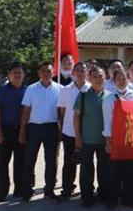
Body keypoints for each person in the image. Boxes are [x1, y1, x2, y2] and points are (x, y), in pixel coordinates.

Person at [19, 62, 63, 201]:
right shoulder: (31, 89)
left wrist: (61, 130)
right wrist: (22, 131)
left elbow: (61, 112)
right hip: (34, 128)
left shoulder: (60, 89)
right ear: (39, 73)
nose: (46, 73)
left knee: (51, 161)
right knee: (29, 160)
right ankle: (27, 189)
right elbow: (26, 111)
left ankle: (49, 189)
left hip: (51, 128)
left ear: (53, 72)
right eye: (43, 71)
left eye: (49, 71)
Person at [102, 66, 133, 209]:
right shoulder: (108, 97)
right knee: (114, 172)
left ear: (128, 79)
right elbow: (107, 121)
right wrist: (107, 140)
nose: (122, 81)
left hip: (131, 139)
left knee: (130, 172)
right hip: (115, 140)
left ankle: (128, 199)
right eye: (118, 79)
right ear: (113, 81)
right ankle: (112, 199)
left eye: (124, 78)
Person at [73, 65, 111, 207]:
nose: (98, 79)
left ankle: (103, 194)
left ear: (105, 78)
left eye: (101, 76)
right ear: (89, 78)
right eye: (95, 76)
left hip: (104, 140)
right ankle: (87, 196)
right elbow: (76, 117)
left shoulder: (110, 95)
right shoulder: (82, 95)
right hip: (87, 139)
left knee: (104, 169)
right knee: (86, 170)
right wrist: (77, 136)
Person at [0, 62, 28, 202]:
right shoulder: (3, 91)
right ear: (9, 74)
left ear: (24, 75)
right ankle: (1, 192)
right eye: (14, 72)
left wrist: (23, 131)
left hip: (23, 131)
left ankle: (19, 190)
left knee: (21, 162)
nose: (17, 75)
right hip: (6, 131)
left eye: (20, 72)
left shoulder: (28, 90)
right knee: (2, 163)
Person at [57, 61, 90, 200]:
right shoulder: (66, 90)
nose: (81, 73)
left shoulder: (92, 88)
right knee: (69, 162)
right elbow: (62, 111)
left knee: (87, 163)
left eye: (83, 70)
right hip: (69, 132)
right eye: (78, 71)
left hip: (88, 133)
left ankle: (87, 190)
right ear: (73, 73)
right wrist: (62, 129)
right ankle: (67, 188)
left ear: (87, 73)